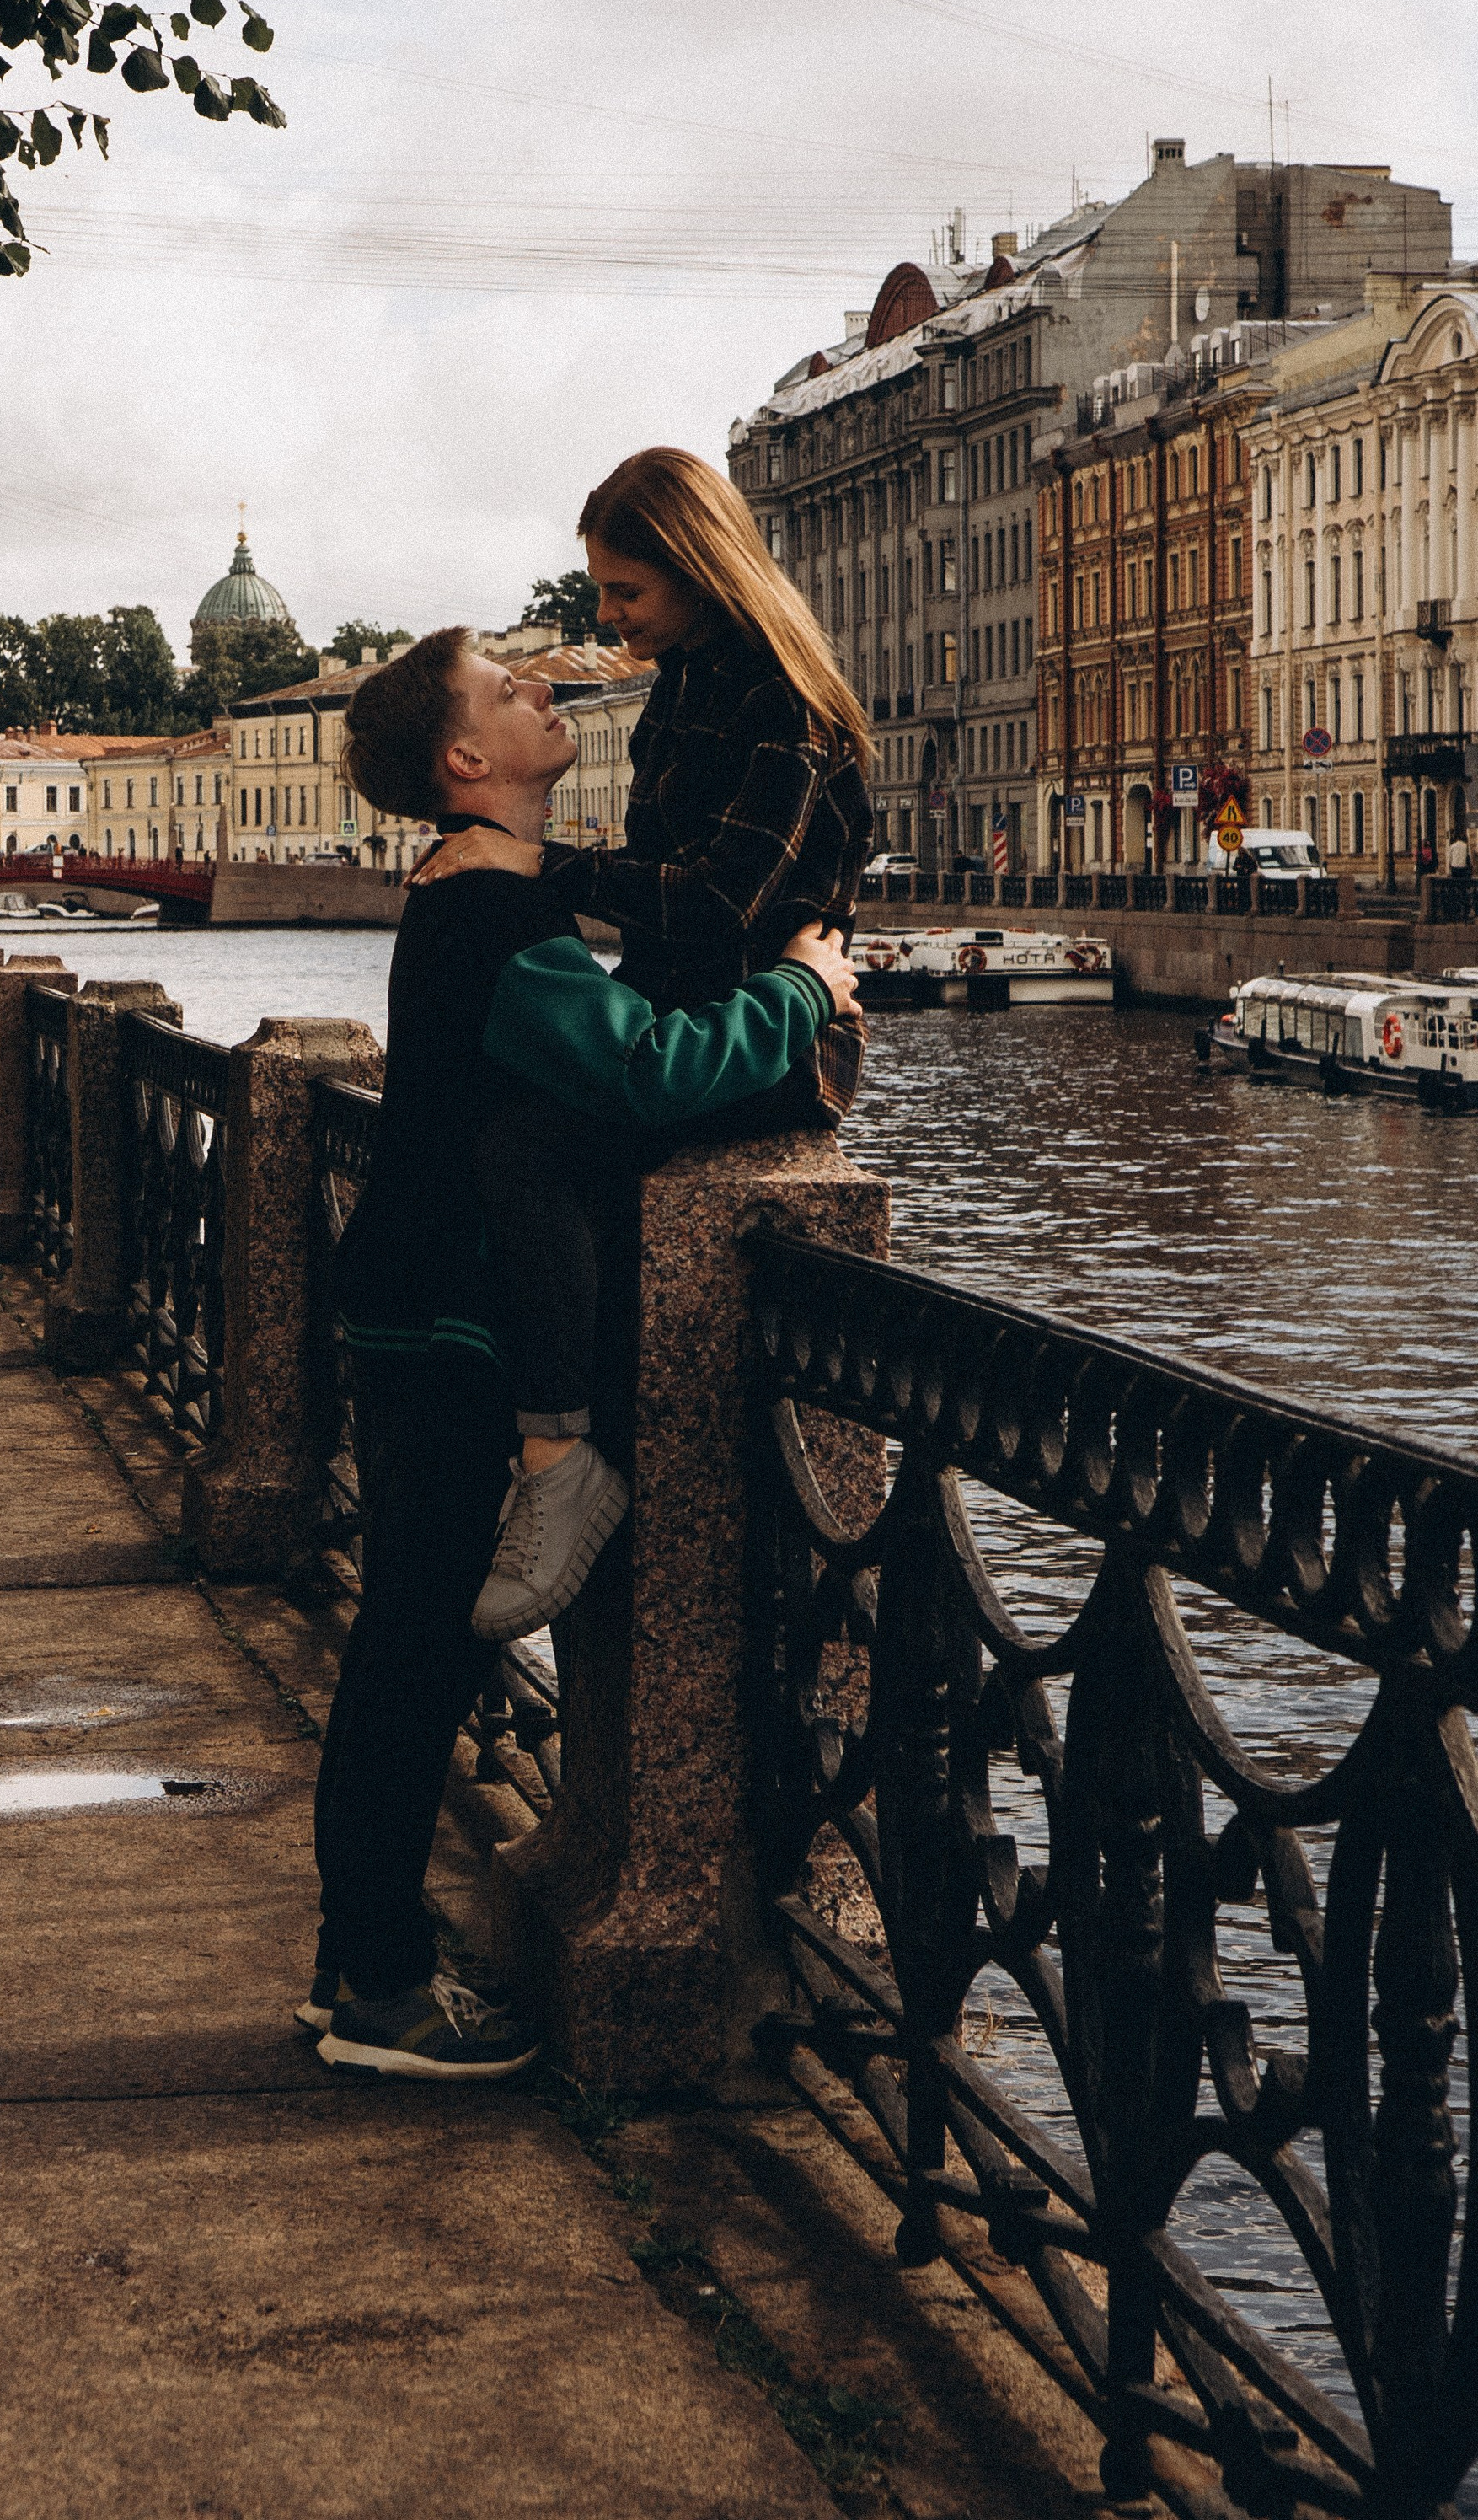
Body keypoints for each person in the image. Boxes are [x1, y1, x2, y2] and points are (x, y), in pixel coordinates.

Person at [307, 630, 861, 2082]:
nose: (543, 691)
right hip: (443, 1318)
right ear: (464, 764)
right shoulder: (494, 911)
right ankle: (378, 1989)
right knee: (415, 1654)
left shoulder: (477, 893)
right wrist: (802, 991)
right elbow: (641, 1069)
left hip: (415, 1300)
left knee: (402, 1648)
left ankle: (354, 1960)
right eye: (509, 689)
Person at [410, 446, 874, 1630]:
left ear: (702, 569)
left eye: (628, 593)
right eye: (603, 593)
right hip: (691, 1025)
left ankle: (560, 1468)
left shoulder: (782, 698)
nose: (609, 618)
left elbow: (723, 904)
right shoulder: (688, 680)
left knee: (525, 1151)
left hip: (772, 1044)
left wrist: (535, 860)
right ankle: (562, 1454)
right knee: (517, 1136)